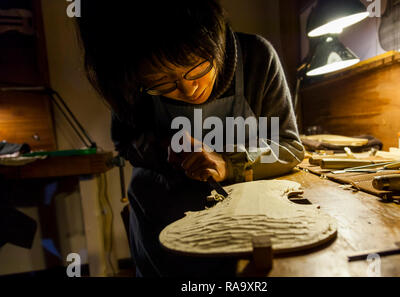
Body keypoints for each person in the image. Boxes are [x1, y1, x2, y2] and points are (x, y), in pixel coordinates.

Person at [76, 0, 304, 277]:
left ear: (214, 42)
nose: (188, 88)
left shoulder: (255, 56)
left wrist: (228, 163)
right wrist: (164, 149)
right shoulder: (130, 76)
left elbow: (289, 147)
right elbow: (124, 143)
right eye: (162, 82)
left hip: (243, 218)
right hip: (161, 220)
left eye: (196, 67)